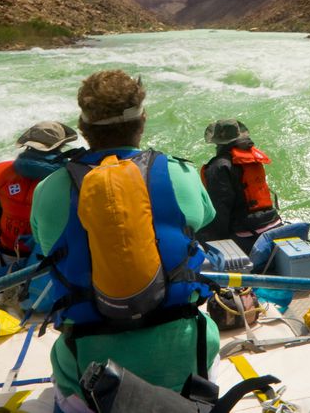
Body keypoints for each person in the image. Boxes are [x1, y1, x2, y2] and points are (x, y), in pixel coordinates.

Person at [30, 70, 219, 412]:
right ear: (141, 121)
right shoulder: (182, 173)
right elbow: (205, 218)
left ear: (84, 128)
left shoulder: (48, 190)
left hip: (88, 375)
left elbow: (45, 249)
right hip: (189, 364)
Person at [0, 120, 83, 265]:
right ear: (61, 145)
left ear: (28, 145)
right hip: (51, 257)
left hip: (8, 255)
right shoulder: (69, 177)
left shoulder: (4, 176)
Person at [196, 119, 282, 253]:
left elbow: (219, 211)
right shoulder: (252, 159)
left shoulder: (219, 167)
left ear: (217, 142)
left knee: (195, 238)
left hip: (247, 235)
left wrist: (210, 241)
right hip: (274, 223)